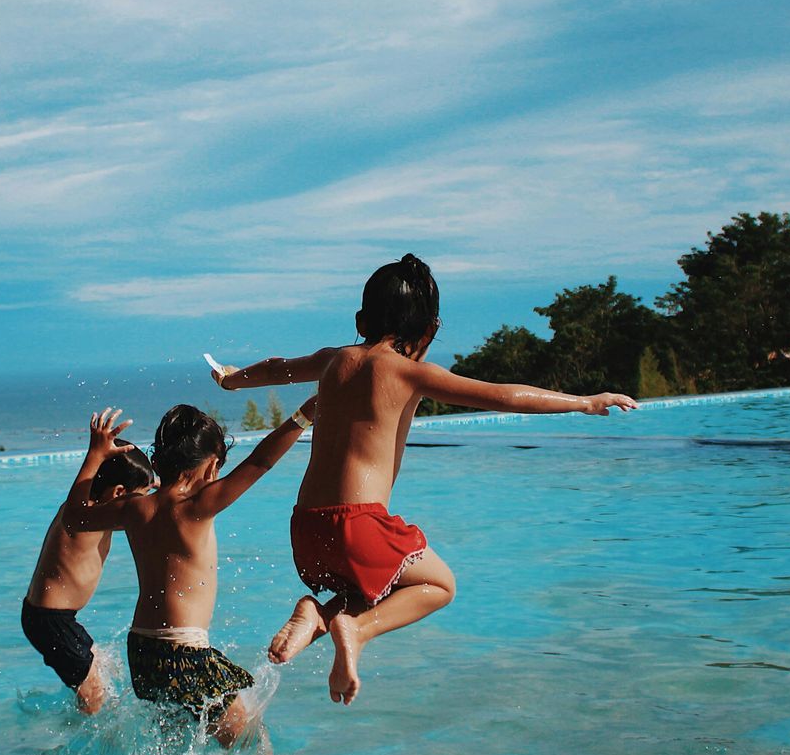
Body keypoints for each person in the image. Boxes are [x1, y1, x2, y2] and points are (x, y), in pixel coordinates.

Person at [211, 253, 637, 705]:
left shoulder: (333, 360)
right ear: (430, 328)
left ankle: (317, 615)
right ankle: (351, 627)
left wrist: (232, 380)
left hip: (307, 527)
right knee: (438, 585)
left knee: (373, 585)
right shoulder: (410, 372)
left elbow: (278, 368)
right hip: (360, 525)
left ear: (361, 318)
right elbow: (506, 397)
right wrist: (586, 402)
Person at [63, 401, 313, 755]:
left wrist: (94, 455)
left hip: (143, 653)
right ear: (211, 464)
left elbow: (73, 518)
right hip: (184, 653)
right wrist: (304, 416)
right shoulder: (196, 506)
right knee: (253, 745)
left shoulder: (136, 508)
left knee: (177, 744)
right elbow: (260, 461)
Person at [21, 432, 155, 713]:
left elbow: (144, 509)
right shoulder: (80, 516)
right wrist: (95, 453)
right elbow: (82, 501)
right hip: (50, 620)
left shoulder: (100, 513)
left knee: (105, 667)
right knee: (94, 696)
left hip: (56, 618)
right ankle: (79, 748)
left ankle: (78, 714)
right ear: (118, 493)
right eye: (139, 497)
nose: (141, 503)